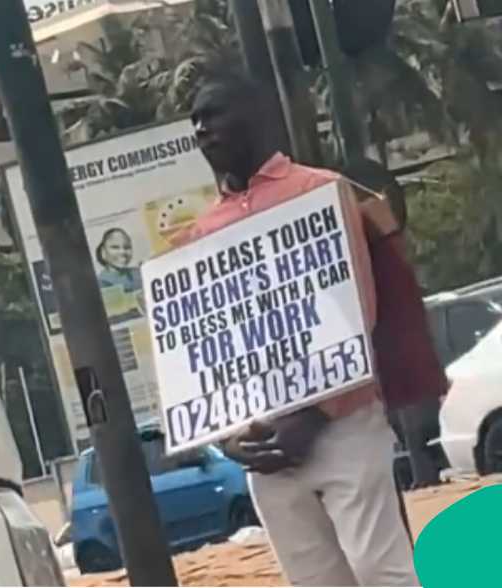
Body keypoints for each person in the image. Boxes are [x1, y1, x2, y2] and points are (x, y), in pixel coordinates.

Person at [186, 66, 445, 587]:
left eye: (214, 115)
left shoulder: (323, 192)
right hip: (264, 443)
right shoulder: (202, 232)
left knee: (380, 571)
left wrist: (315, 414)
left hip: (345, 424)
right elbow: (212, 352)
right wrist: (229, 437)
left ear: (259, 117)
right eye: (195, 122)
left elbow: (359, 310)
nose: (202, 131)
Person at [95, 228, 143, 292]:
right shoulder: (102, 282)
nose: (122, 252)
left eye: (127, 247)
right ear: (103, 252)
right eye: (115, 247)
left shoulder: (138, 272)